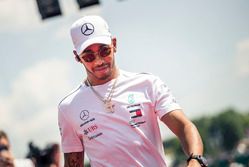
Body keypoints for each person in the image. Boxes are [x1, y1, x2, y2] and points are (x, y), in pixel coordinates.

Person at [58, 15, 208, 167]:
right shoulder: (68, 107)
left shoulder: (148, 84)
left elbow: (184, 127)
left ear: (114, 44)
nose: (99, 61)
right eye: (89, 56)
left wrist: (195, 161)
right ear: (77, 57)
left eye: (104, 51)